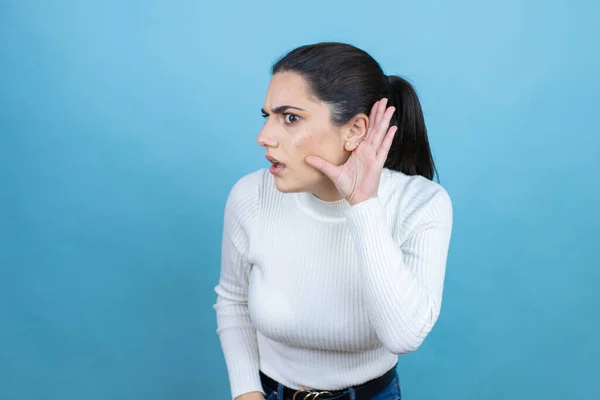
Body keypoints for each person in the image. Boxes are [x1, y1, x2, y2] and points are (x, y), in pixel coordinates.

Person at [213, 42, 453, 400]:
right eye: (268, 116)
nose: (264, 137)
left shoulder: (420, 202)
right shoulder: (250, 196)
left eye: (290, 118)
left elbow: (404, 336)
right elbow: (233, 302)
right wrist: (246, 393)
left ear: (355, 130)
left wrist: (362, 204)